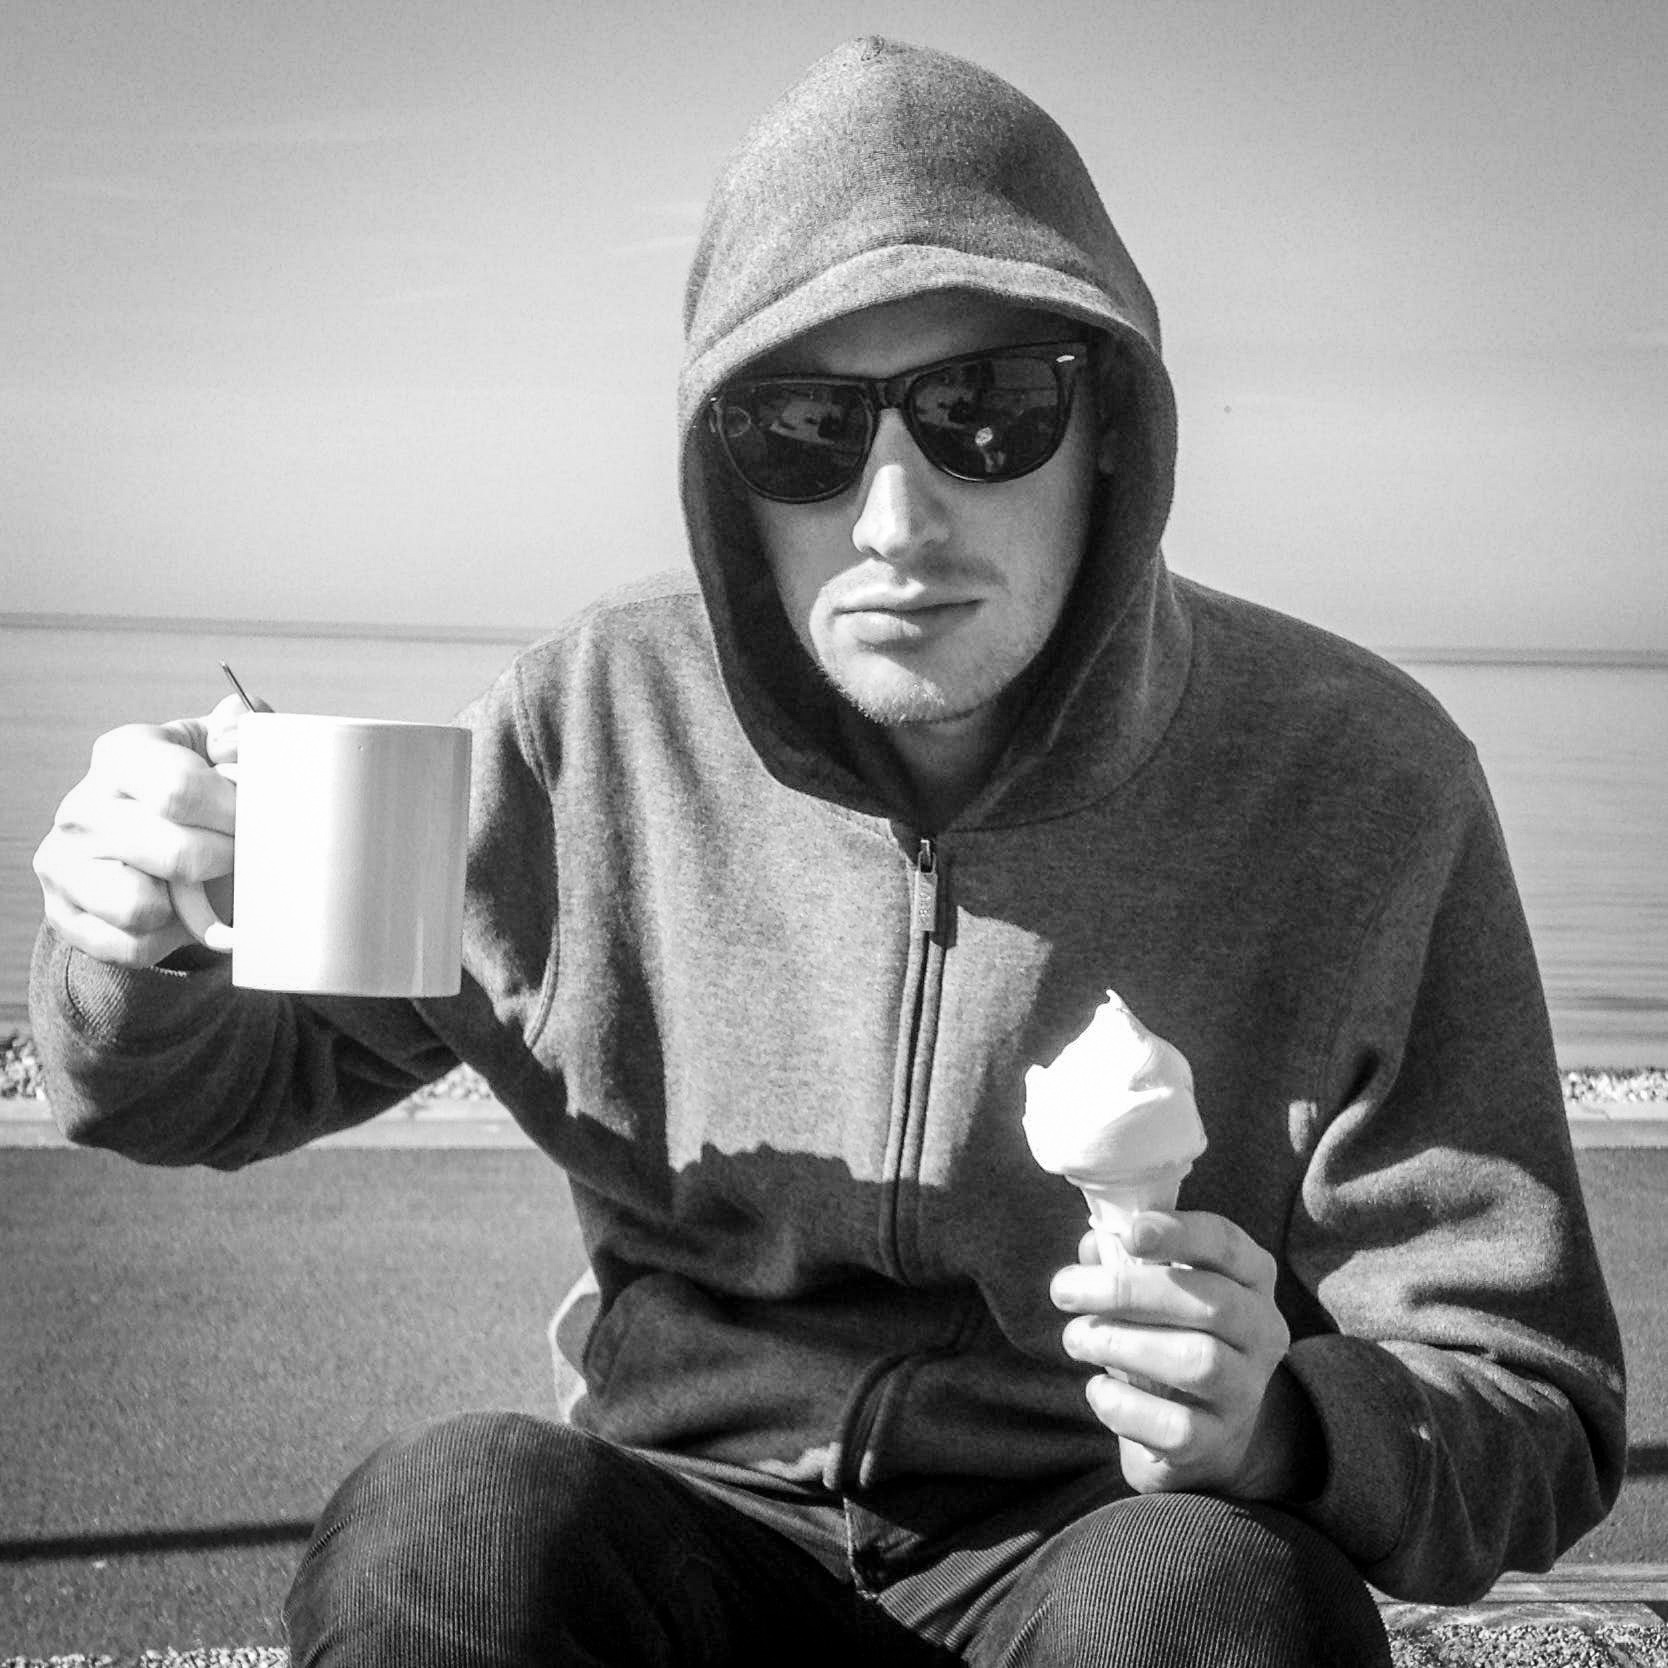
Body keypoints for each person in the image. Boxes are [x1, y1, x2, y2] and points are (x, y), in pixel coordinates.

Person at [30, 36, 1624, 1668]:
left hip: (1101, 1548)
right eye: (802, 427)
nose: (892, 520)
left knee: (1211, 1601)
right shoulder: (590, 731)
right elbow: (179, 1092)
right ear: (727, 474)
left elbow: (1532, 1400)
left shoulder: (1357, 783)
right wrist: (134, 938)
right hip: (685, 1525)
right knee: (453, 1520)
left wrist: (1286, 1427)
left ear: (1113, 433)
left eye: (983, 413)